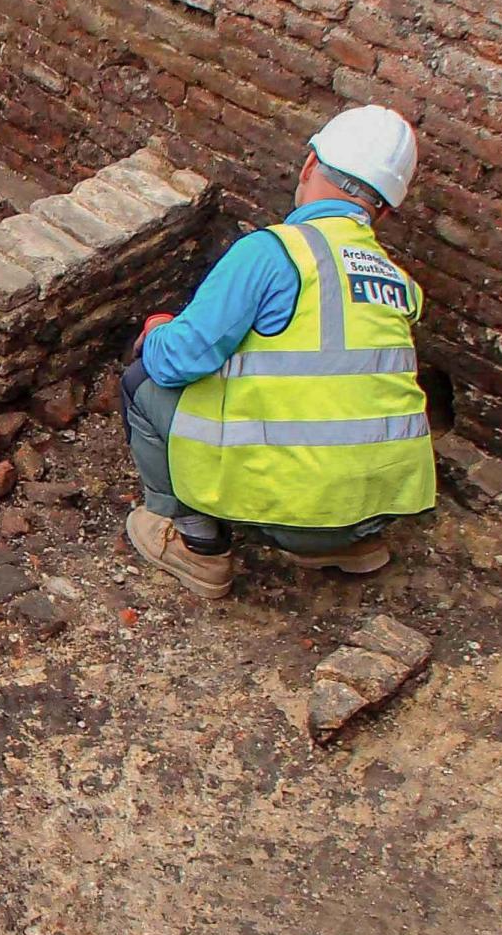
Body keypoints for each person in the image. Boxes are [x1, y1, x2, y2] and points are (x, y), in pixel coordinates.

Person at [120, 105, 435, 599]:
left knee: (142, 379)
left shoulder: (274, 251)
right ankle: (349, 545)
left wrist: (161, 328)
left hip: (294, 508)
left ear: (309, 164)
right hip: (375, 507)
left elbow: (177, 360)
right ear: (385, 211)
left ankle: (197, 548)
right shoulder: (400, 283)